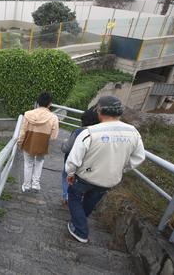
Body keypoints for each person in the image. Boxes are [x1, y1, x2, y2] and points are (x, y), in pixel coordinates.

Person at [65, 96, 145, 243]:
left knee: (74, 198)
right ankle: (79, 221)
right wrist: (121, 169)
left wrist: (70, 173)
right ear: (119, 113)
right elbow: (139, 157)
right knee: (91, 201)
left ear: (99, 111)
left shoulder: (89, 132)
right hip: (109, 180)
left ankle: (81, 230)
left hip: (85, 177)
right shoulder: (133, 132)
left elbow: (73, 159)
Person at [17, 92, 59, 192]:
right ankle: (36, 184)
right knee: (39, 163)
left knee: (28, 164)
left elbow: (23, 132)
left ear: (38, 102)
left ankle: (26, 186)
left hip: (28, 143)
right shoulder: (53, 118)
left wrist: (19, 143)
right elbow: (54, 137)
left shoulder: (28, 114)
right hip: (42, 144)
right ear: (50, 104)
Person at [60, 109, 100, 208]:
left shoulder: (79, 132)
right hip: (91, 165)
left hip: (74, 163)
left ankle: (67, 197)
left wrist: (64, 142)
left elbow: (66, 148)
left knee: (66, 177)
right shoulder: (101, 134)